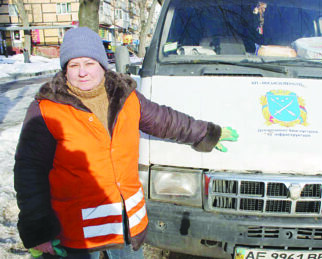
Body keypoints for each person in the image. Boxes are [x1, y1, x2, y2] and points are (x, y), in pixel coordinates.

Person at [14, 27, 238, 259]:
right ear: (65, 69)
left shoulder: (125, 96)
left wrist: (206, 133)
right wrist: (38, 231)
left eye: (89, 63)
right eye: (73, 65)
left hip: (126, 227)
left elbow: (166, 120)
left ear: (102, 64)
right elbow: (29, 173)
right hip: (77, 235)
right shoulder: (47, 109)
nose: (82, 72)